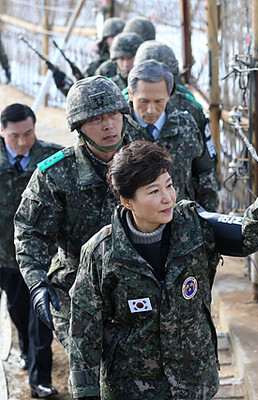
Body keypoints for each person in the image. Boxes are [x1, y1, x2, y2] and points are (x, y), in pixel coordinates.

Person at [68, 141, 258, 399]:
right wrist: (86, 392)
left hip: (193, 382)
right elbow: (84, 330)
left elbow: (245, 236)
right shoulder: (102, 252)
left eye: (169, 185)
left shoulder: (195, 226)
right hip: (132, 388)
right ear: (127, 201)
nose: (167, 198)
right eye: (153, 191)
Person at [14, 76, 132, 351]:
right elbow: (29, 233)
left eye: (114, 114)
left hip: (137, 285)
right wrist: (37, 285)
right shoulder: (54, 175)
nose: (108, 125)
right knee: (88, 373)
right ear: (78, 127)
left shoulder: (145, 159)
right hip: (75, 289)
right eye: (95, 119)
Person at [0, 104, 61, 398]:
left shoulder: (52, 158)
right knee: (17, 307)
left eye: (28, 134)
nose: (22, 142)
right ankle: (22, 344)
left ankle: (40, 380)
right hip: (5, 256)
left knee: (40, 315)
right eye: (14, 136)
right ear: (2, 132)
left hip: (43, 255)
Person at [132, 41, 219, 210]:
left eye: (159, 101)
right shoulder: (118, 121)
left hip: (182, 216)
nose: (151, 109)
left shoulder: (189, 114)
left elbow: (206, 166)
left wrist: (208, 218)